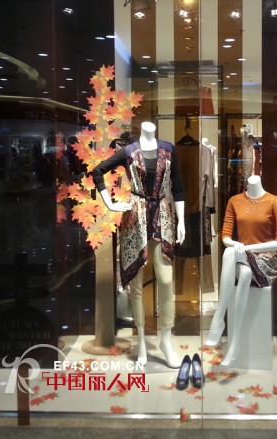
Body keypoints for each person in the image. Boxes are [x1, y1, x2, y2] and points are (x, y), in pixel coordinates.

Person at [92, 121, 185, 368]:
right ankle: (141, 340)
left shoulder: (168, 149)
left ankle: (166, 340)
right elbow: (97, 172)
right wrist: (110, 203)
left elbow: (177, 186)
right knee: (136, 284)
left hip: (163, 217)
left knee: (166, 280)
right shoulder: (128, 151)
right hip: (135, 218)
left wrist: (182, 222)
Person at [205, 175, 277, 366]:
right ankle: (234, 344)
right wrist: (236, 244)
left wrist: (246, 248)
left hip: (267, 260)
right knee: (242, 271)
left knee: (230, 255)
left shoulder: (275, 201)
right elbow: (225, 236)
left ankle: (219, 318)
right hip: (243, 258)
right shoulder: (235, 201)